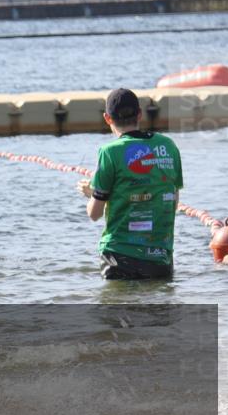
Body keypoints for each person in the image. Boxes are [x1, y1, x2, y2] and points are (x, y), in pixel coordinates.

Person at [77, 88, 183, 280]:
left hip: (119, 256)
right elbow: (172, 204)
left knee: (120, 299)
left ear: (107, 118)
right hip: (160, 258)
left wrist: (92, 194)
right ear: (140, 114)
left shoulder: (110, 152)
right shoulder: (168, 146)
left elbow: (94, 214)